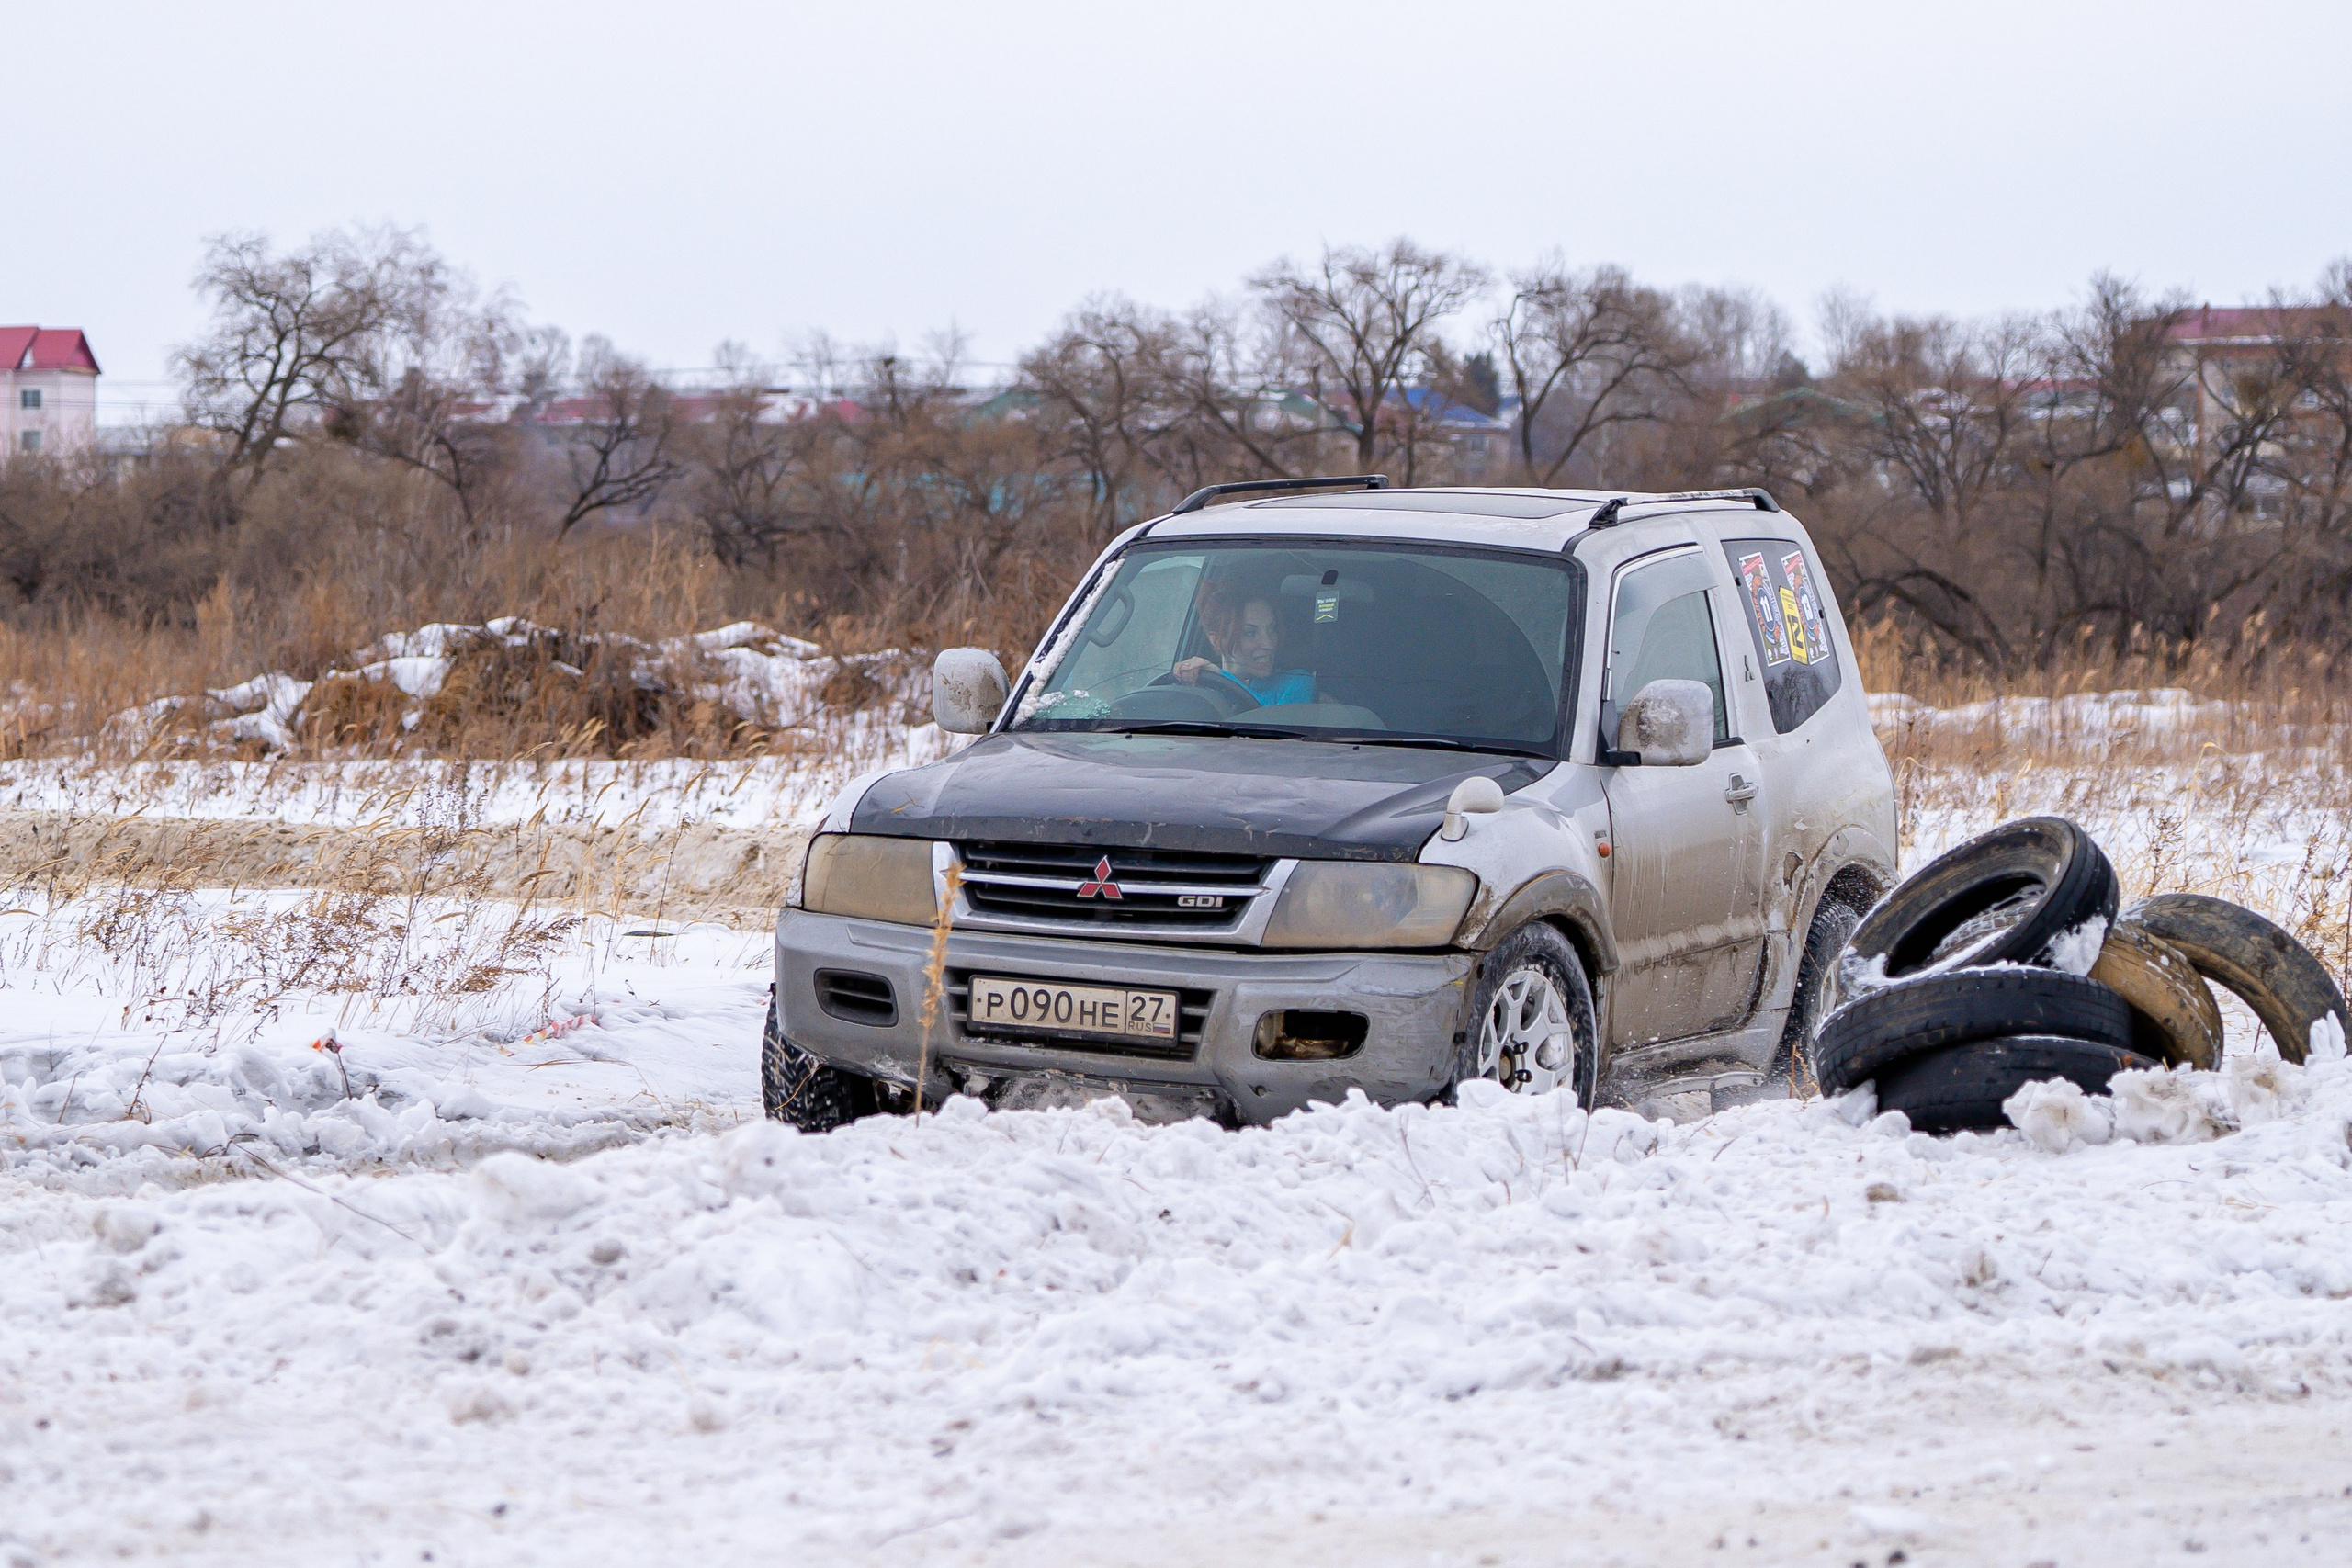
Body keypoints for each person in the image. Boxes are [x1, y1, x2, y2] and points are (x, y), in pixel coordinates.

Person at [1173, 574, 1315, 705]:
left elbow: (1274, 728)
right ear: (1216, 639)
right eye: (1250, 633)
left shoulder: (1297, 683)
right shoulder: (1202, 690)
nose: (1269, 644)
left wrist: (1220, 676)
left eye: (1272, 628)